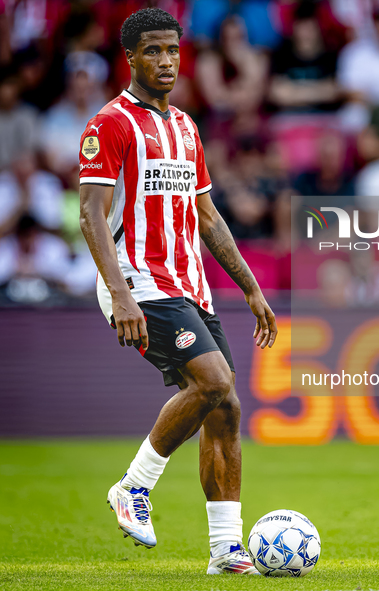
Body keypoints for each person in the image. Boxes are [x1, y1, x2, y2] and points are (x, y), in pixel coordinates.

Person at [78, 8, 277, 575]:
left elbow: (208, 217)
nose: (166, 61)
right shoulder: (111, 123)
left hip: (188, 284)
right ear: (132, 58)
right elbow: (91, 214)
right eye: (153, 52)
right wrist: (120, 296)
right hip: (138, 281)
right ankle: (132, 487)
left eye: (173, 51)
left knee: (226, 405)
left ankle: (225, 552)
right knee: (212, 380)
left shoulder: (186, 127)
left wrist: (251, 289)